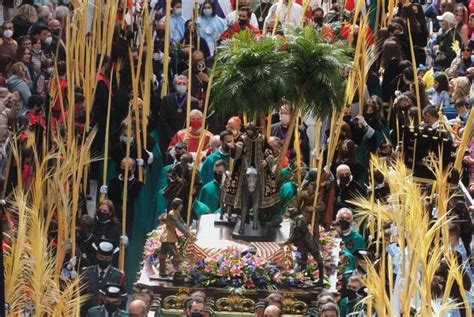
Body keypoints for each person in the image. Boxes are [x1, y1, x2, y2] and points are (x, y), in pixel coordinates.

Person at [158, 75, 199, 154]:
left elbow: (193, 120)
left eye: (184, 84)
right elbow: (163, 119)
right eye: (179, 83)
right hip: (169, 135)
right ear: (175, 85)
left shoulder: (193, 101)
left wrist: (184, 135)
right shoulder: (166, 99)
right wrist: (173, 136)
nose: (182, 85)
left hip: (186, 136)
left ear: (187, 86)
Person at [81, 240, 125, 314]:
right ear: (97, 255)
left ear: (111, 257)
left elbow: (123, 298)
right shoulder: (86, 272)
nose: (104, 260)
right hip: (87, 312)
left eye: (107, 258)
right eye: (101, 257)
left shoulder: (118, 275)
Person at [283, 207, 324, 286]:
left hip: (308, 242)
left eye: (289, 214)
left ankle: (321, 280)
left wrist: (285, 242)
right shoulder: (297, 220)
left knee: (318, 259)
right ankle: (302, 279)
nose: (287, 215)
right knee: (303, 260)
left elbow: (294, 235)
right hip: (303, 243)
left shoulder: (298, 223)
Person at [106, 157, 143, 236]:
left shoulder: (139, 185)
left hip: (130, 217)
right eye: (123, 167)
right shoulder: (113, 182)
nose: (125, 169)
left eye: (128, 168)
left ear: (133, 169)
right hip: (115, 214)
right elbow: (108, 201)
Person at [159, 198, 194, 277]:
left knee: (163, 253)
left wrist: (189, 231)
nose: (182, 206)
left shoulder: (176, 212)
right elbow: (178, 225)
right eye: (180, 204)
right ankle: (176, 273)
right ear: (177, 205)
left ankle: (162, 272)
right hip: (168, 236)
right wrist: (188, 235)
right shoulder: (172, 214)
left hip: (170, 235)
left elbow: (182, 223)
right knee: (176, 255)